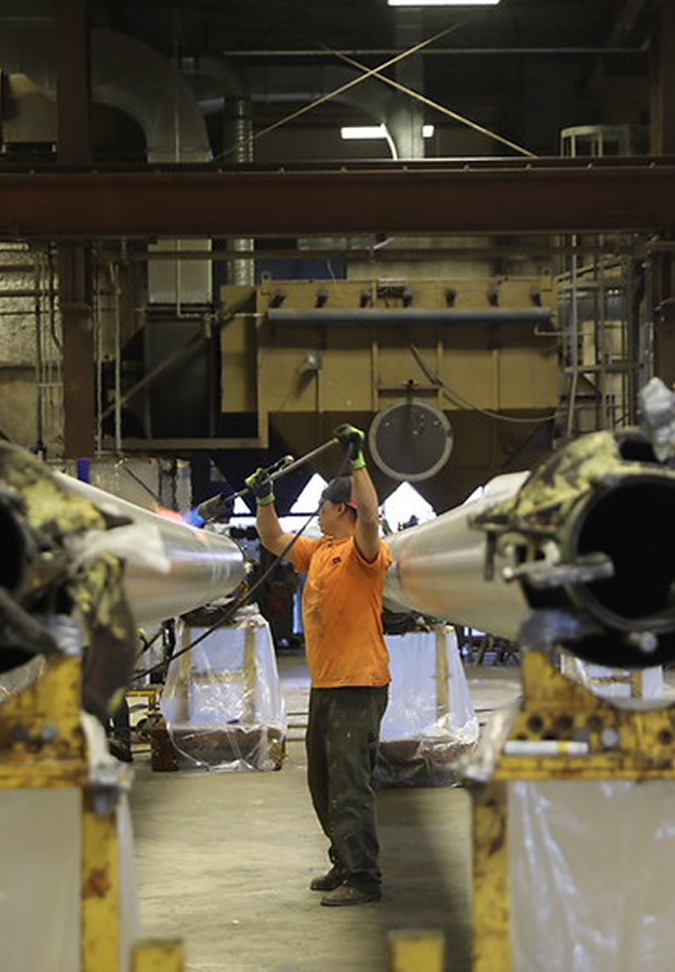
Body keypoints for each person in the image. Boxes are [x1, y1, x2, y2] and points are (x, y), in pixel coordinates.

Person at [245, 424, 392, 907]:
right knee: (323, 781)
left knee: (350, 784)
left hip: (359, 684)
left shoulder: (364, 551)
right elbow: (272, 539)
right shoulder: (322, 551)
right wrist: (265, 498)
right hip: (328, 685)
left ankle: (364, 877)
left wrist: (358, 463)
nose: (318, 514)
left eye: (325, 507)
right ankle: (343, 859)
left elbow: (370, 516)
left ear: (341, 510)